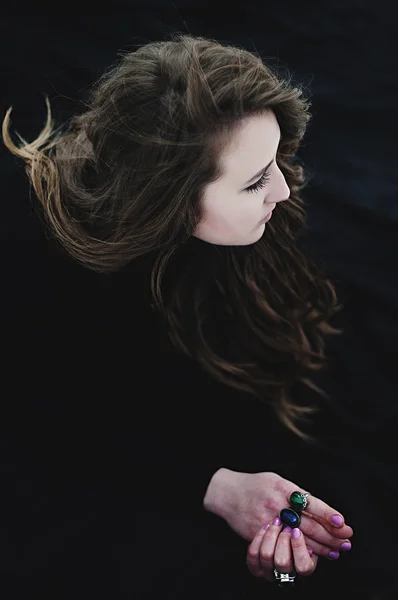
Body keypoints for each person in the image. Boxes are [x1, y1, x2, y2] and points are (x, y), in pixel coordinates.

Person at [2, 33, 354, 599]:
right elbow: (65, 426)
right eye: (256, 180)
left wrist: (281, 564)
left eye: (277, 161)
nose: (285, 190)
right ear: (170, 198)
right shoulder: (44, 295)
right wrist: (220, 496)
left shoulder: (250, 239)